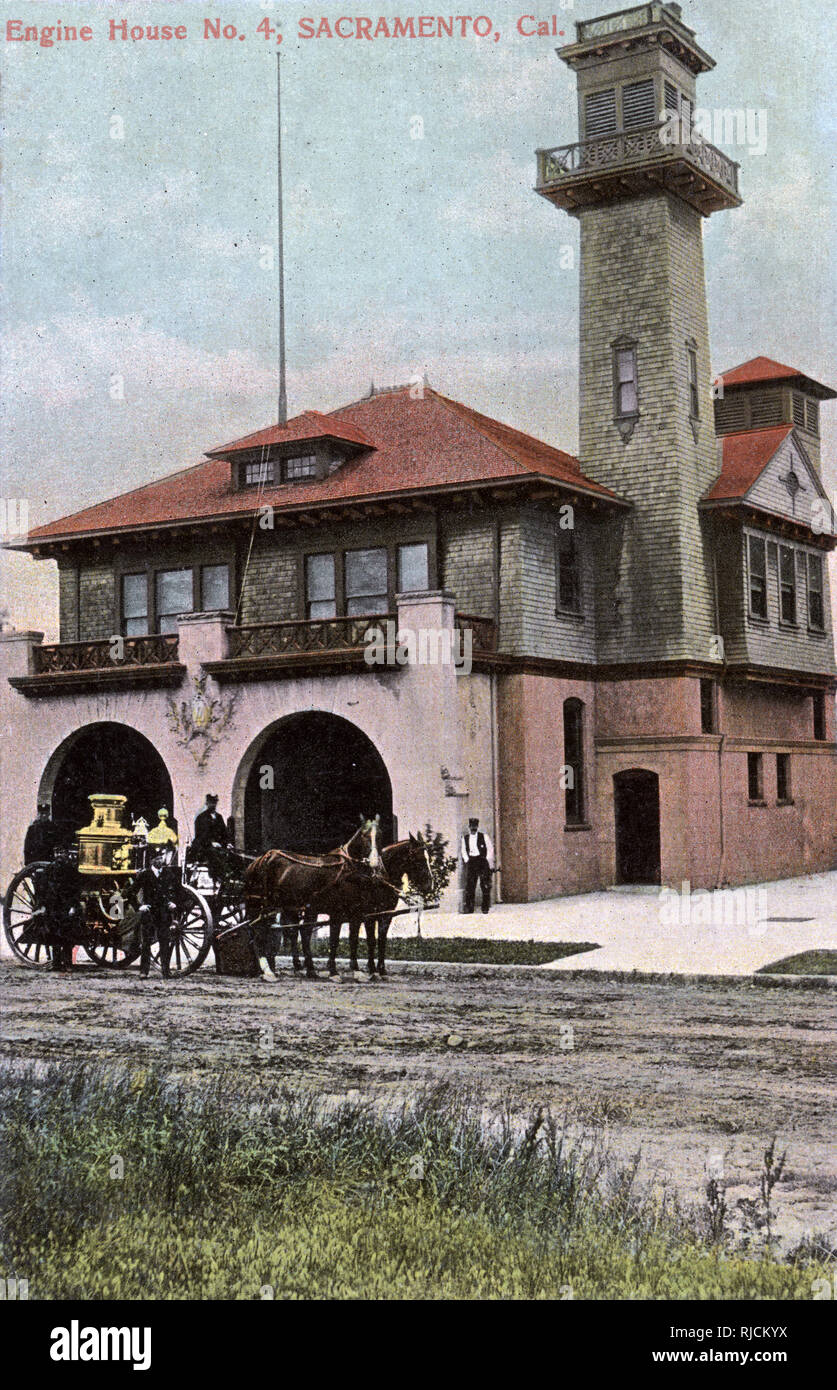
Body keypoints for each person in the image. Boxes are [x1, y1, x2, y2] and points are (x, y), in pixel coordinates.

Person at [132, 843, 180, 979]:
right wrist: (139, 906)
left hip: (163, 913)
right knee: (146, 942)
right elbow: (130, 893)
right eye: (158, 858)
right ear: (152, 861)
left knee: (164, 941)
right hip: (150, 913)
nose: (161, 860)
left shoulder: (167, 873)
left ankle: (165, 971)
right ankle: (144, 971)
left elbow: (178, 890)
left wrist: (173, 902)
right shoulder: (145, 874)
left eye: (162, 857)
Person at [40, 845, 82, 972]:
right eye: (57, 853)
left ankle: (68, 964)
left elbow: (76, 890)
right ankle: (56, 963)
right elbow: (42, 889)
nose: (59, 855)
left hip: (66, 907)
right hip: (53, 907)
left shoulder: (71, 870)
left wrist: (73, 906)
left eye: (61, 853)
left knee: (66, 936)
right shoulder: (49, 869)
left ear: (66, 854)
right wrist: (43, 905)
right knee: (53, 935)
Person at [460, 817, 494, 915]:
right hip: (471, 861)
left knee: (485, 885)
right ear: (469, 827)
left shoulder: (484, 836)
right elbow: (463, 850)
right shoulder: (465, 838)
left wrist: (486, 859)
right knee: (470, 885)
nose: (473, 829)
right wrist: (467, 860)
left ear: (477, 827)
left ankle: (485, 907)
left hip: (482, 861)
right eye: (472, 827)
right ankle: (470, 907)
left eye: (475, 827)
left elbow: (490, 848)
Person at [192, 794, 228, 861]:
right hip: (205, 847)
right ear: (207, 804)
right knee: (215, 856)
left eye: (214, 803)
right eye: (211, 803)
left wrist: (227, 843)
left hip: (219, 846)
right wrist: (211, 843)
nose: (213, 805)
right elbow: (200, 835)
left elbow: (224, 832)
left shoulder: (219, 817)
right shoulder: (201, 818)